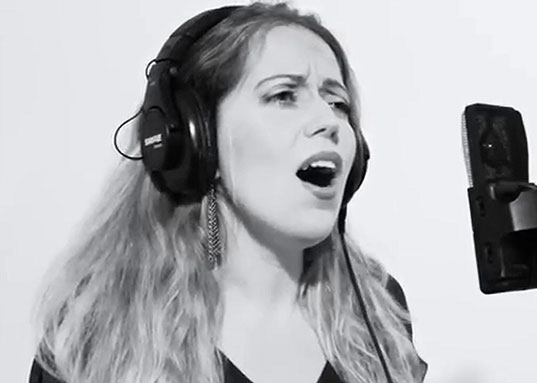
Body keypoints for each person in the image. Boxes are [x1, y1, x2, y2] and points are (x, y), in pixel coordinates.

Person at [29, 3, 427, 383]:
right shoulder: (96, 336)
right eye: (284, 95)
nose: (329, 121)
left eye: (338, 103)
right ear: (197, 141)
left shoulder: (376, 311)